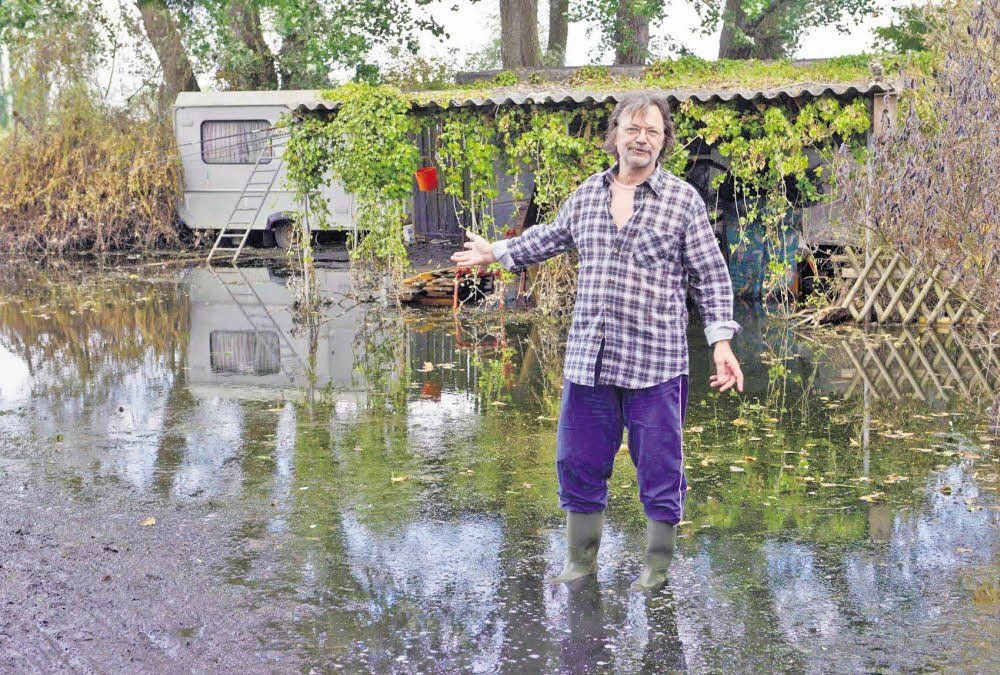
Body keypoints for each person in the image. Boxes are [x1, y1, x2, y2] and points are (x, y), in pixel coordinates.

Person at [451, 92, 744, 591]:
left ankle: (656, 564)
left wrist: (720, 341)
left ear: (664, 141)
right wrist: (497, 252)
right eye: (634, 128)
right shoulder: (588, 194)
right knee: (578, 460)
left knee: (660, 465)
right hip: (590, 359)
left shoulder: (682, 201)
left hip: (657, 361)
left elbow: (711, 276)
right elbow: (549, 237)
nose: (642, 138)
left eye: (653, 131)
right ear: (616, 135)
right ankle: (581, 560)